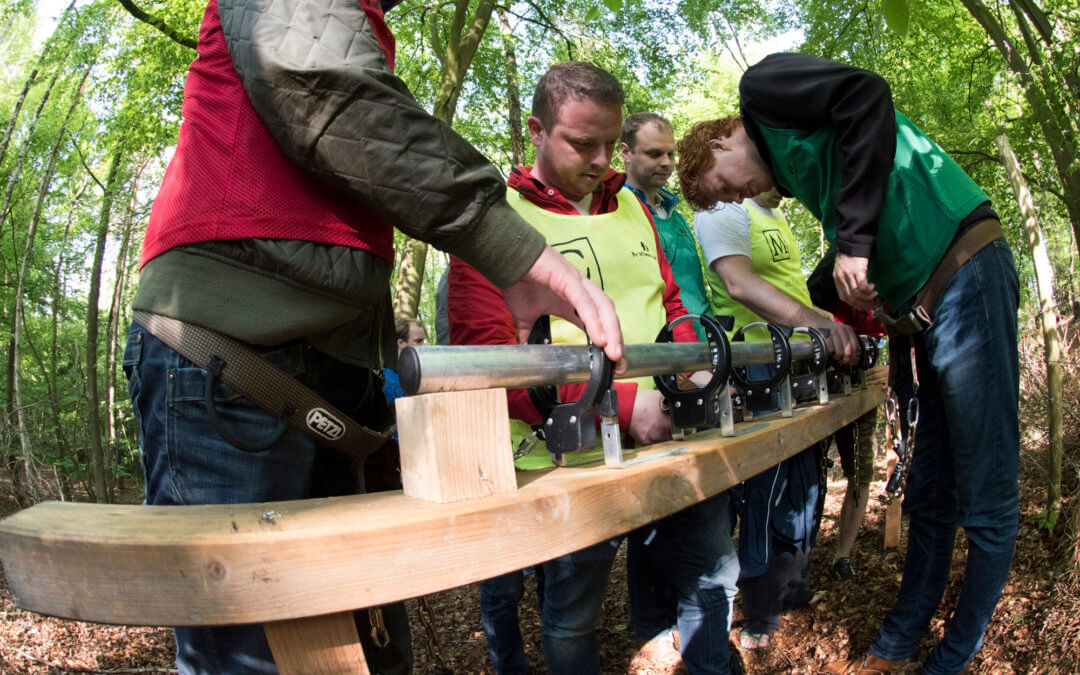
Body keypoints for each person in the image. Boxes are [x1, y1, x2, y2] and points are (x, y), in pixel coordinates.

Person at [122, 1, 625, 672]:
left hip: (332, 383)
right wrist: (519, 254)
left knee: (371, 651)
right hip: (228, 366)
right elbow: (343, 106)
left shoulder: (360, 17)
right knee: (247, 657)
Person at [675, 53, 1019, 675]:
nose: (738, 196)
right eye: (724, 199)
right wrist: (828, 308)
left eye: (725, 184)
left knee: (988, 496)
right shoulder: (801, 171)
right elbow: (851, 218)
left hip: (966, 273)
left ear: (721, 139)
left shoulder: (764, 93)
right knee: (930, 492)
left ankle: (953, 657)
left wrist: (855, 246)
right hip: (923, 308)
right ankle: (896, 643)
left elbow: (868, 96)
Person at [448, 61, 740, 675]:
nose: (602, 158)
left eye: (611, 143)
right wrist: (627, 405)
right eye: (583, 143)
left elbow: (674, 302)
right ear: (535, 129)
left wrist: (695, 374)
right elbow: (493, 361)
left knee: (712, 580)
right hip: (563, 458)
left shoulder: (634, 208)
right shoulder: (493, 219)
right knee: (573, 614)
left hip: (672, 436)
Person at [679, 181, 856, 650]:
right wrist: (817, 322)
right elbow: (739, 284)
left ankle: (788, 587)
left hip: (794, 355)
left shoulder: (775, 217)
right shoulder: (726, 209)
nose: (787, 180)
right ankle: (757, 606)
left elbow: (789, 286)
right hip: (758, 358)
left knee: (804, 478)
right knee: (766, 482)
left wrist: (828, 326)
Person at [807, 247, 887, 582]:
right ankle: (800, 552)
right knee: (812, 467)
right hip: (820, 376)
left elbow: (912, 326)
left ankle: (843, 555)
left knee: (861, 469)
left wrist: (890, 367)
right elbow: (801, 306)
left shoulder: (897, 270)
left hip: (865, 380)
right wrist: (835, 331)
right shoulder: (834, 267)